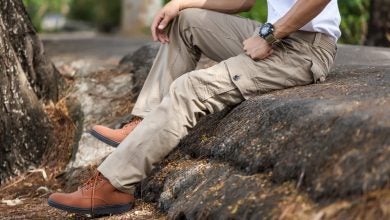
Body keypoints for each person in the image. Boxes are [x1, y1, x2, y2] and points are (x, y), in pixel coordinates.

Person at [48, 0, 340, 216]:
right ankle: (142, 123)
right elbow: (243, 1)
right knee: (187, 20)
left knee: (191, 89)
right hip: (279, 36)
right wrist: (181, 3)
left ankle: (112, 186)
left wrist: (269, 36)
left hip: (304, 49)